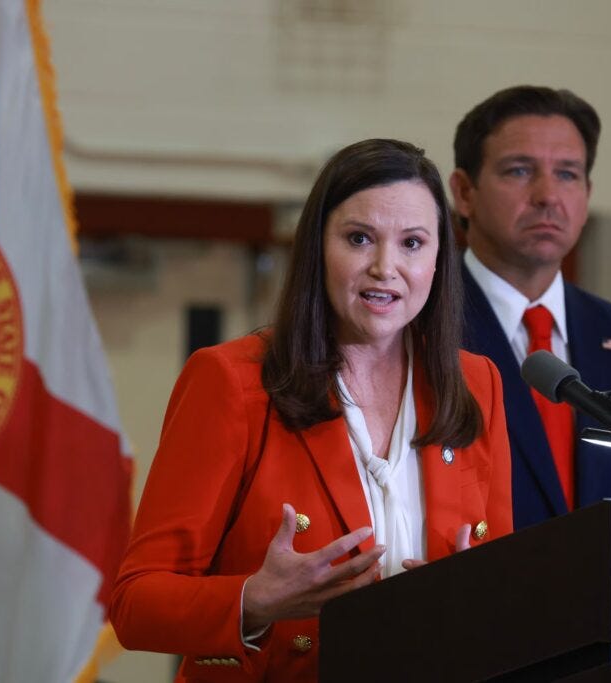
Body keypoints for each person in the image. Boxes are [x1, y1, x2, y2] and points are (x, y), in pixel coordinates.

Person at [110, 138, 513, 681]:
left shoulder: (476, 382)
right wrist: (256, 600)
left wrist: (479, 603)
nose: (384, 267)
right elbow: (136, 604)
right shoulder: (232, 381)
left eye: (413, 243)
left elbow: (509, 588)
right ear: (317, 247)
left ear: (440, 258)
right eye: (359, 238)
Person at [449, 85, 611, 531]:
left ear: (587, 195)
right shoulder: (420, 329)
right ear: (464, 192)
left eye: (567, 174)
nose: (548, 195)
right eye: (518, 170)